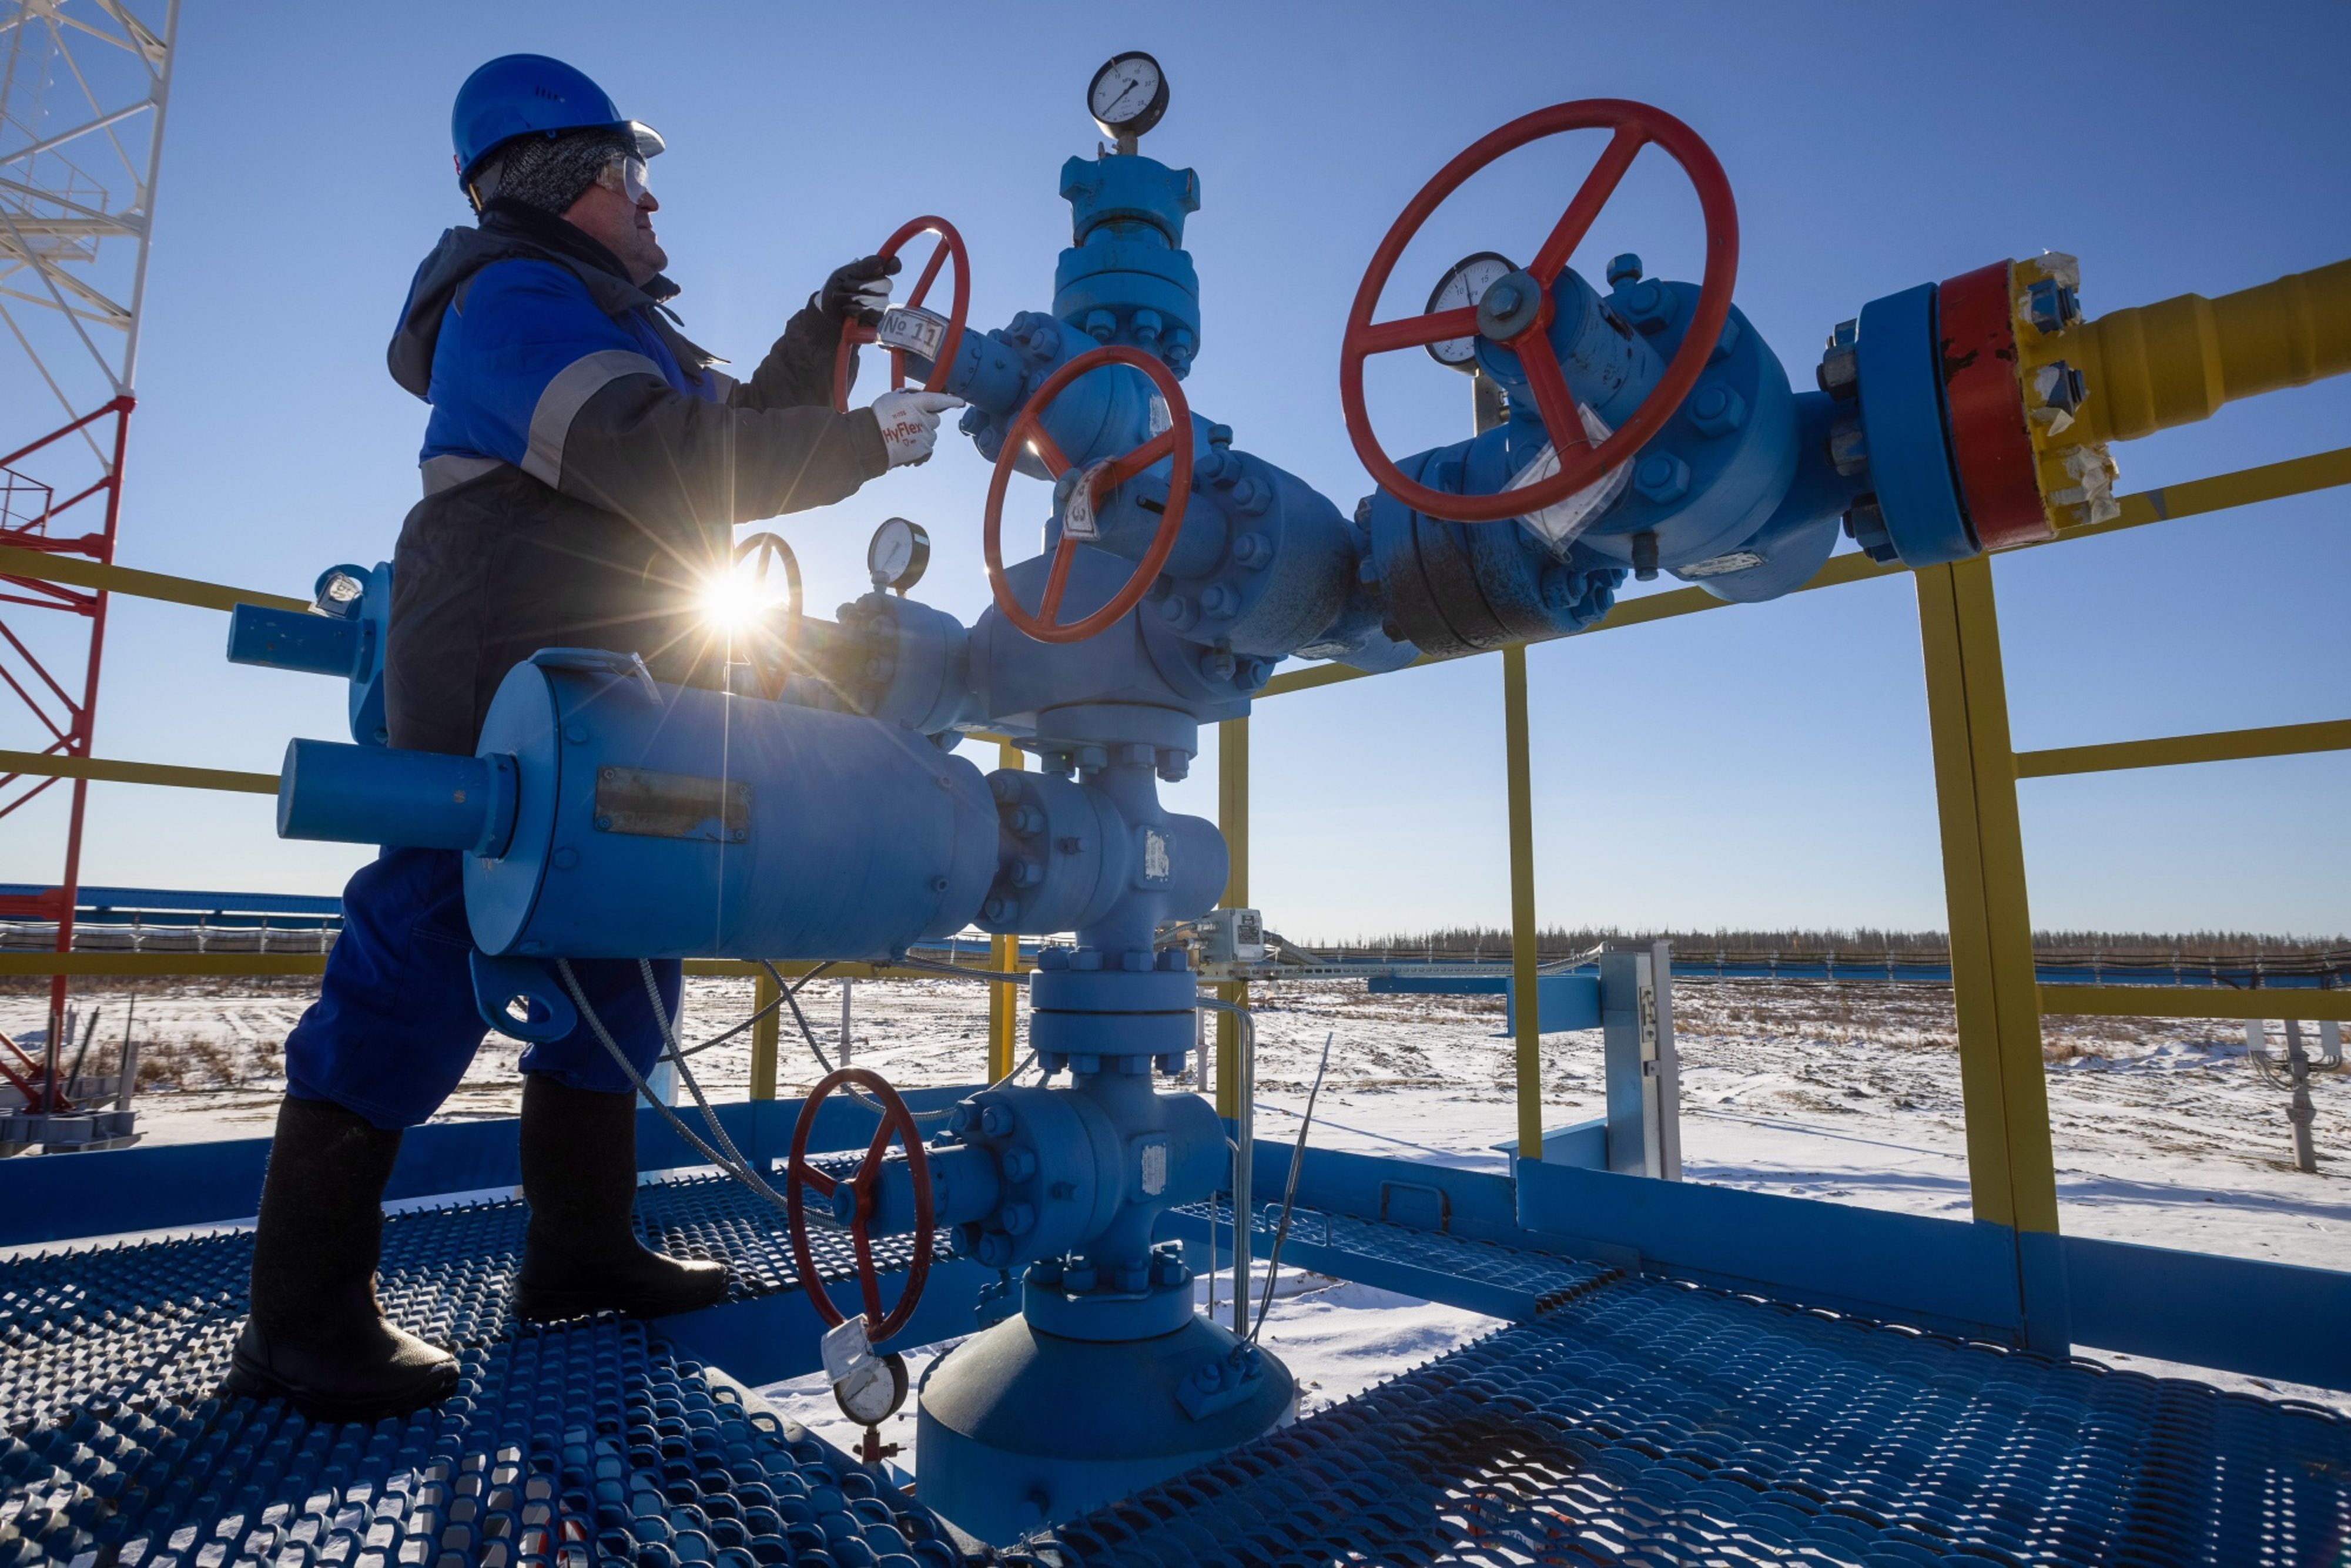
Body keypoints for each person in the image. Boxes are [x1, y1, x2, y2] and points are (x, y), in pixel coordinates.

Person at [227, 53, 963, 1422]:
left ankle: (579, 1252)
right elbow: (660, 456)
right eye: (637, 179)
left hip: (606, 675)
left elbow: (727, 430)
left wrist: (828, 328)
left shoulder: (611, 313)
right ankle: (301, 1313)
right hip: (499, 678)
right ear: (570, 179)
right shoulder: (509, 302)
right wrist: (864, 444)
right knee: (431, 940)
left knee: (626, 953)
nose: (654, 207)